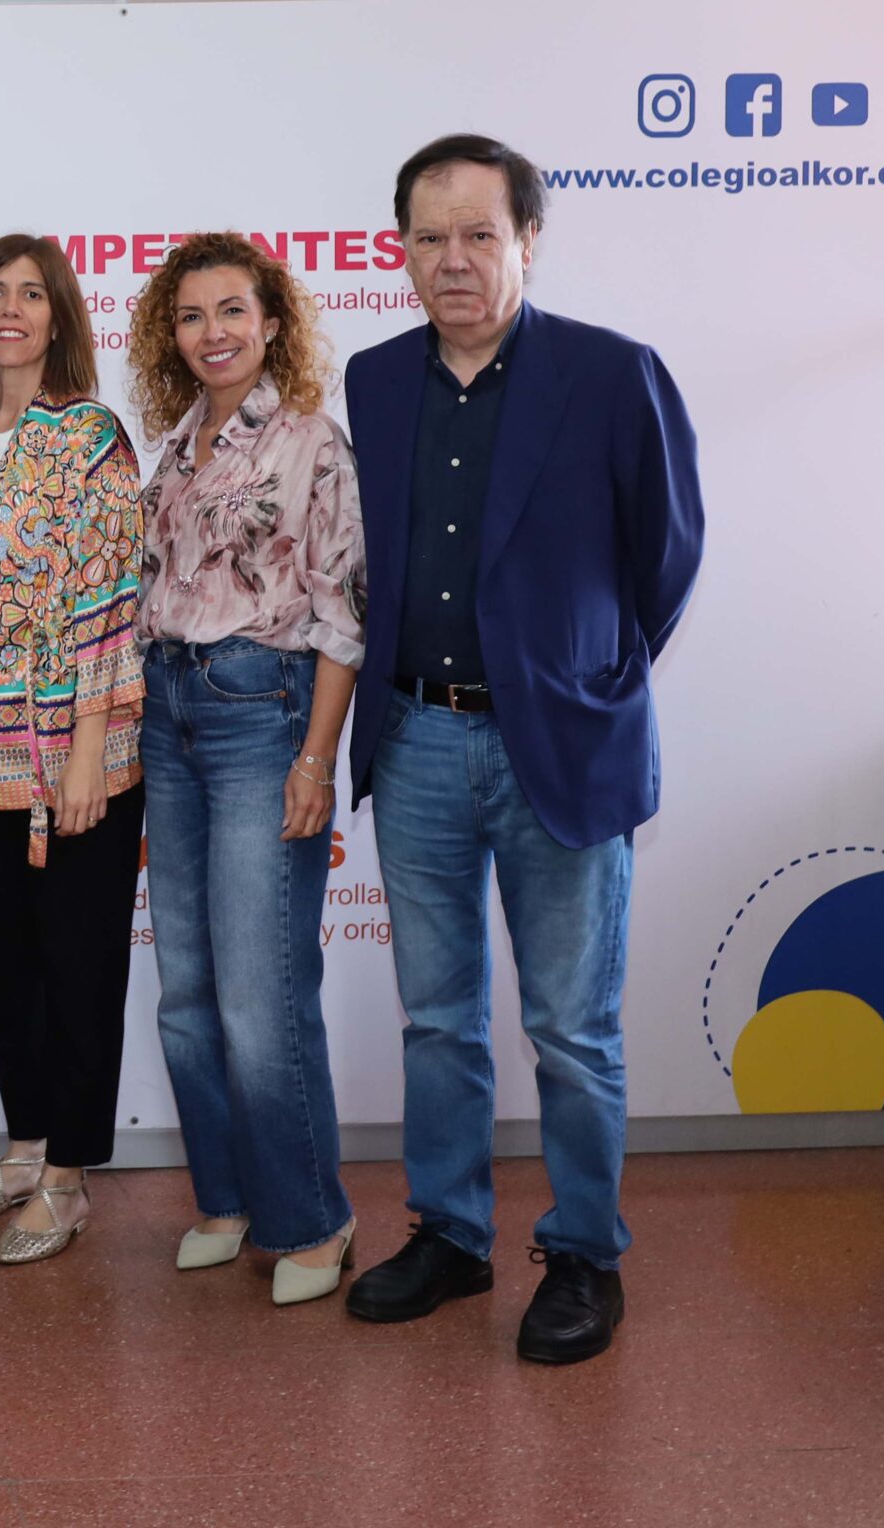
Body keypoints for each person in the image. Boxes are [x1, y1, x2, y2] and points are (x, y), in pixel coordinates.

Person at [340, 135, 703, 1363]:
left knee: (570, 1028)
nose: (453, 259)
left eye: (479, 234)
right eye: (428, 237)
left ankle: (585, 1253)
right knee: (438, 1019)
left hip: (560, 743)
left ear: (528, 241)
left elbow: (667, 555)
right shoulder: (374, 381)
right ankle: (450, 1235)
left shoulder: (611, 373)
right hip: (417, 738)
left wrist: (584, 676)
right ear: (401, 250)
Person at [125, 232, 365, 1306]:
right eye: (190, 316)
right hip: (165, 711)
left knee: (262, 991)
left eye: (231, 311)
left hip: (261, 715)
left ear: (271, 322)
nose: (211, 332)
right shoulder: (173, 448)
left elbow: (343, 617)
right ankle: (224, 1201)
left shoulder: (313, 441)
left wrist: (315, 757)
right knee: (187, 990)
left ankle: (312, 1218)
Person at [0, 235, 147, 1266]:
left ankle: (68, 1176)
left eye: (33, 294)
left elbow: (113, 598)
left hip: (69, 725)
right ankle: (24, 1147)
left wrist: (90, 750)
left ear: (59, 318)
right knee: (3, 947)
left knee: (77, 957)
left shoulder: (89, 435)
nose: (11, 309)